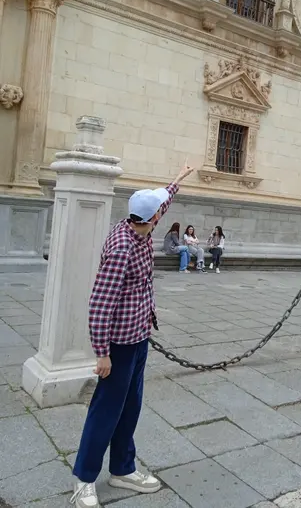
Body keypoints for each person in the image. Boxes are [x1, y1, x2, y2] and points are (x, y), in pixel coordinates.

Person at [70, 161, 194, 508]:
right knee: (106, 409)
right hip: (119, 344)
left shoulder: (140, 226)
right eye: (158, 214)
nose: (160, 214)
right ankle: (83, 479)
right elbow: (100, 302)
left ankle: (123, 469)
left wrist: (178, 178)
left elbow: (161, 200)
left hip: (138, 336)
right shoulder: (122, 247)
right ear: (151, 218)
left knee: (131, 405)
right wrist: (102, 353)